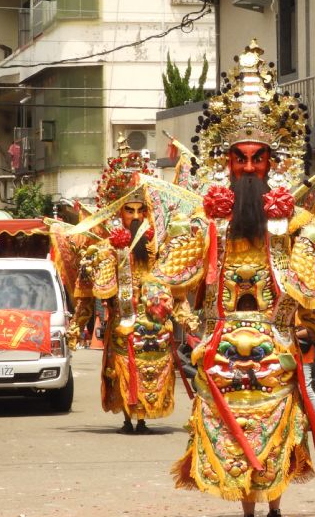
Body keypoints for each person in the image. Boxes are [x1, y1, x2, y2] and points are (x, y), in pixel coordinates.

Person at [172, 42, 315, 517]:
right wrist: (185, 325)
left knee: (279, 436)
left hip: (277, 353)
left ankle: (273, 512)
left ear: (274, 161)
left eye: (258, 157)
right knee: (232, 433)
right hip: (220, 352)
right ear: (224, 160)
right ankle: (246, 515)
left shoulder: (297, 224)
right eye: (239, 157)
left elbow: (308, 292)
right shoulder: (203, 223)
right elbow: (172, 285)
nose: (249, 167)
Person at [53, 137, 206, 434]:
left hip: (156, 325)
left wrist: (189, 323)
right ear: (118, 212)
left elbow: (176, 293)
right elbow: (86, 296)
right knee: (124, 370)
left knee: (154, 371)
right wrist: (77, 326)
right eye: (129, 211)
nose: (135, 217)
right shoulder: (105, 250)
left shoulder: (159, 249)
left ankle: (143, 417)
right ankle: (127, 415)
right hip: (123, 327)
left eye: (141, 211)